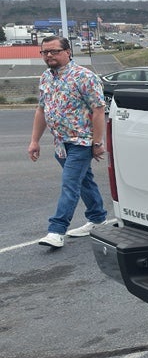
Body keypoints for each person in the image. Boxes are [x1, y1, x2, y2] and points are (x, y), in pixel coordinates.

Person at [27, 36, 108, 249]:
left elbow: (99, 110)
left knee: (70, 184)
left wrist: (97, 142)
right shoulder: (46, 77)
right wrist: (35, 141)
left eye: (54, 51)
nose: (49, 55)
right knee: (84, 182)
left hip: (81, 142)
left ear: (68, 52)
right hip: (60, 144)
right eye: (45, 52)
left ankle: (56, 230)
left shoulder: (84, 76)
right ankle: (98, 218)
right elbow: (41, 110)